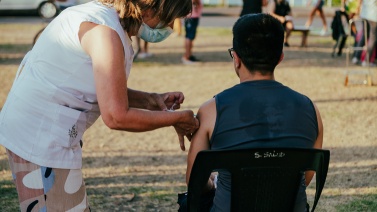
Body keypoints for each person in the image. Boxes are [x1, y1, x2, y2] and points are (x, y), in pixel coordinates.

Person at [0, 0, 199, 211]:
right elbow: (116, 116)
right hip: (39, 138)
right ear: (152, 9)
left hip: (35, 129)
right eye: (170, 19)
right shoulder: (105, 33)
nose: (169, 28)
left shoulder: (101, 17)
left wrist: (152, 100)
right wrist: (178, 118)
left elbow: (100, 86)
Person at [184, 13, 323, 211]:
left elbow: (194, 181)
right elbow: (304, 178)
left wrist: (214, 181)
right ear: (280, 58)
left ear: (236, 58)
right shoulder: (311, 110)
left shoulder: (211, 110)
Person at [355, 0, 377, 66]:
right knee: (373, 38)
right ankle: (367, 61)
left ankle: (356, 57)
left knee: (364, 35)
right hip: (373, 15)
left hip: (365, 13)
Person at [182, 0, 203, 65]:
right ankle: (186, 57)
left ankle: (189, 55)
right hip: (191, 16)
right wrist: (196, 3)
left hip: (194, 15)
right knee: (189, 36)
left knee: (191, 37)